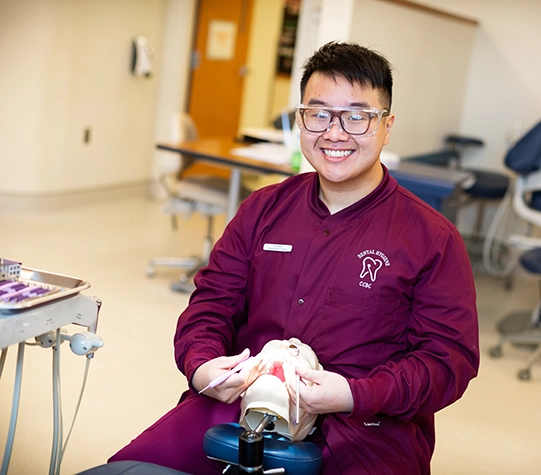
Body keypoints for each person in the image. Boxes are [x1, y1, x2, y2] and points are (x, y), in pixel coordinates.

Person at [110, 41, 479, 474]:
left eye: (357, 116)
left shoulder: (431, 238)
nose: (335, 133)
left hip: (366, 428)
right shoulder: (263, 209)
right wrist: (202, 365)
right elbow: (211, 303)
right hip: (243, 407)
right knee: (129, 468)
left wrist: (353, 394)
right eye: (318, 113)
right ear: (300, 118)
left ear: (387, 125)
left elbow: (446, 360)